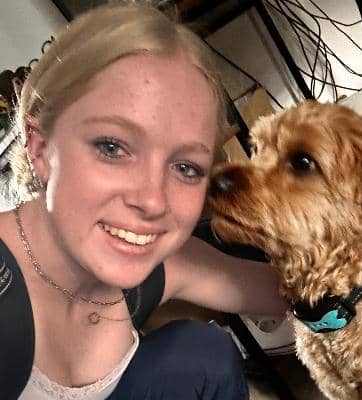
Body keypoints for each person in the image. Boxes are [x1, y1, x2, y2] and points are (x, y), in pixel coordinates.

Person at [0, 2, 288, 399]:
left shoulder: (162, 265)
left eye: (186, 167)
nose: (153, 201)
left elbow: (309, 297)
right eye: (112, 147)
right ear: (39, 147)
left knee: (201, 354)